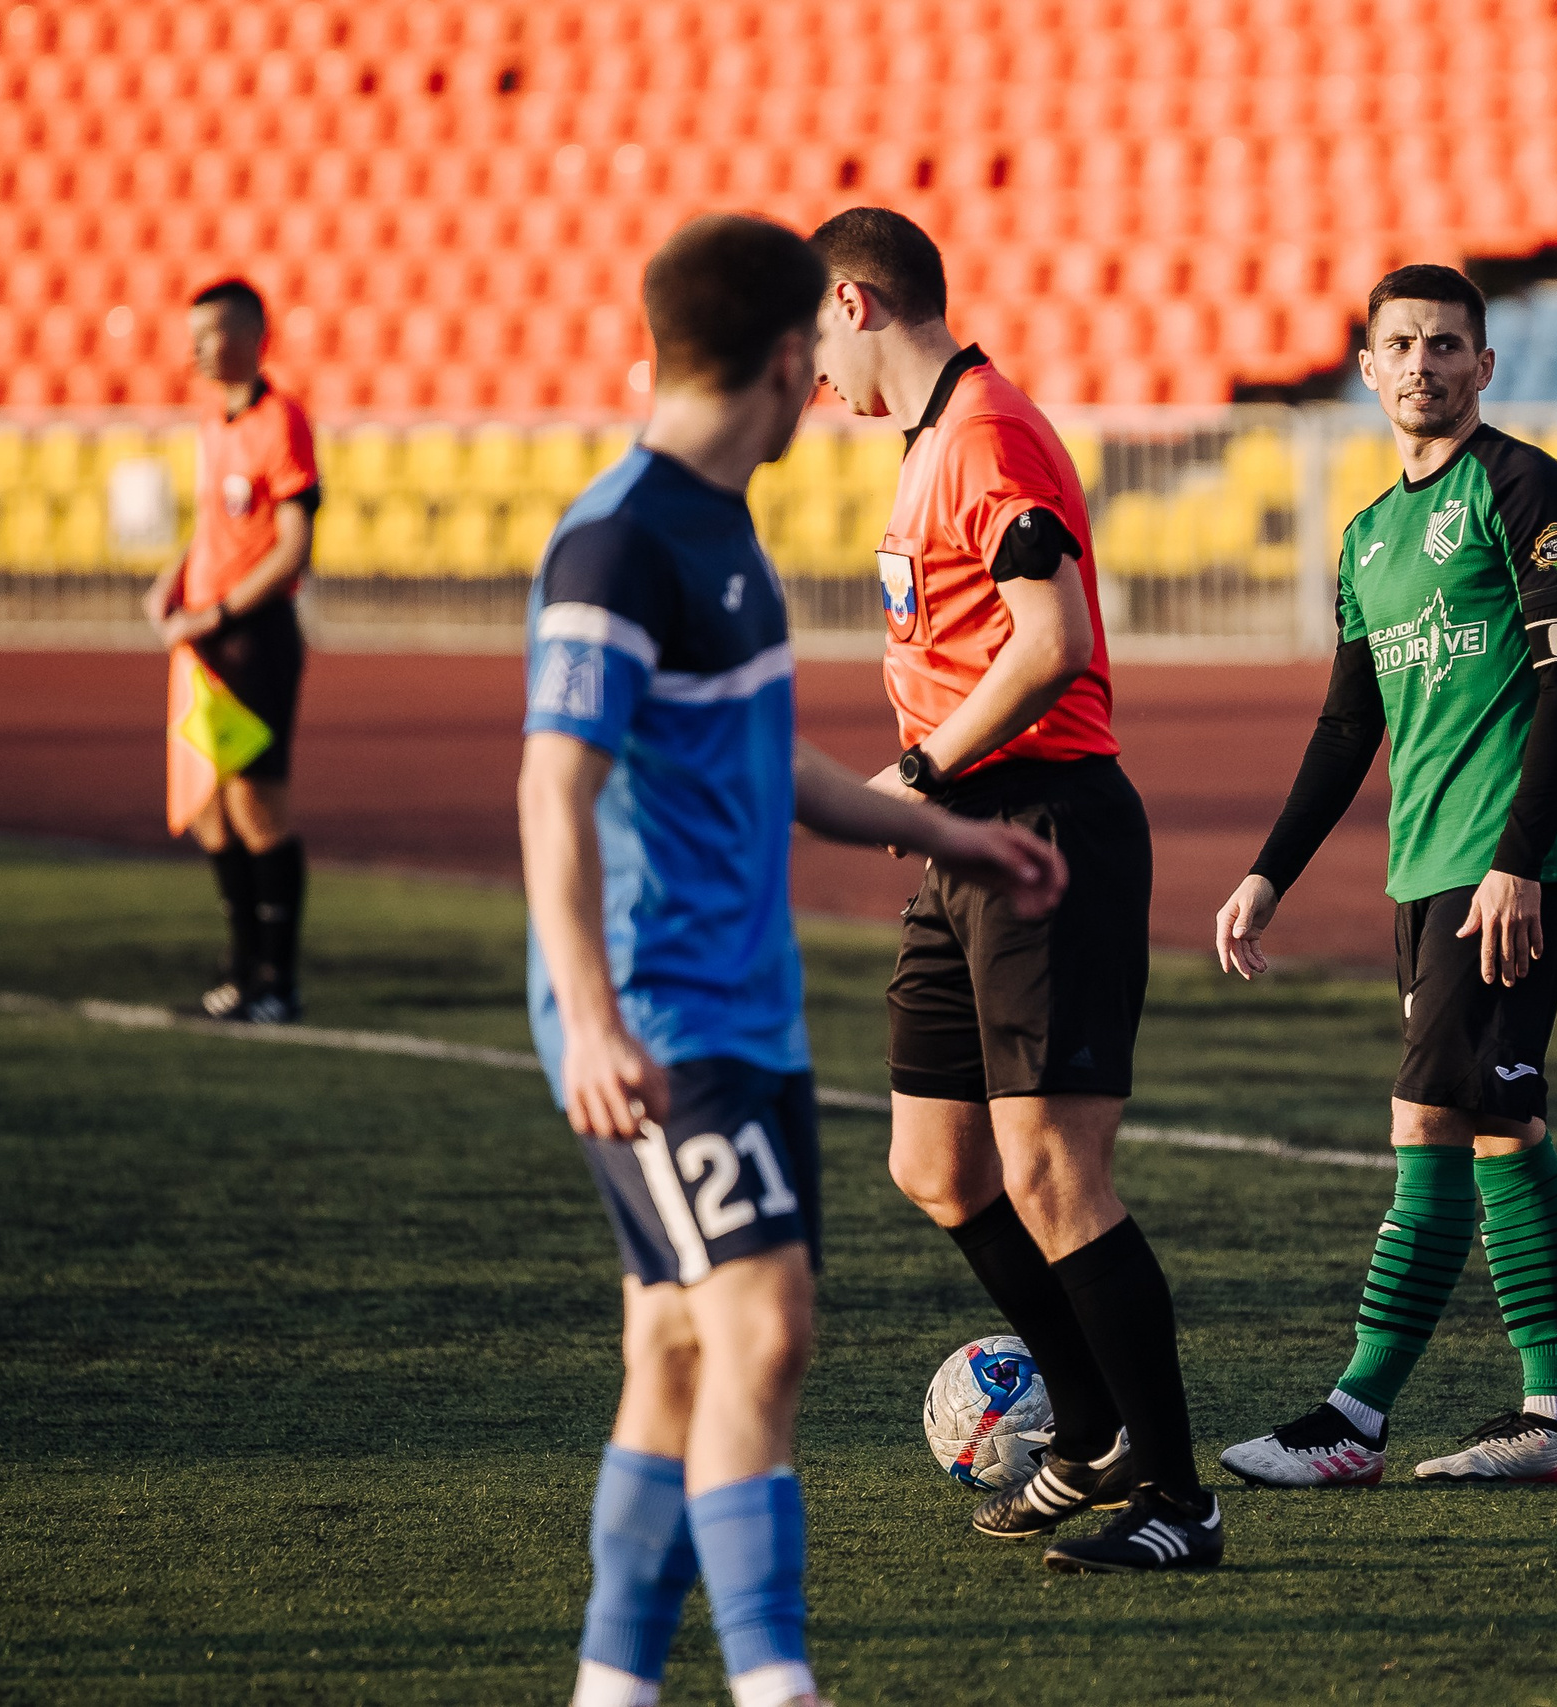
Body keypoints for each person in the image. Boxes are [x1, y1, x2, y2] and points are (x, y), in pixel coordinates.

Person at [518, 214, 1065, 1707]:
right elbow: (551, 786)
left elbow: (768, 762)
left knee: (684, 1348)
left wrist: (960, 838)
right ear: (776, 356)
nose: (821, 390)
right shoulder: (623, 540)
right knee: (767, 1323)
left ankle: (612, 1684)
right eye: (806, 367)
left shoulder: (719, 531)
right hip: (656, 1008)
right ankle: (777, 1683)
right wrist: (589, 1014)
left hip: (738, 1004)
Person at [809, 205, 1221, 1573]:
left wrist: (920, 764)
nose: (816, 378)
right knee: (936, 1164)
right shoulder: (934, 442)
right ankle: (1094, 1424)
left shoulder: (985, 432)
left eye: (816, 334)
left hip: (1041, 824)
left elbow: (1054, 643)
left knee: (1054, 1168)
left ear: (857, 304)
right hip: (966, 836)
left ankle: (1177, 1492)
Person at [1212, 264, 1557, 1489]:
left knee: (1430, 1122)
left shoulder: (1528, 488)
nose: (1425, 364)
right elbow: (1346, 729)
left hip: (1502, 869)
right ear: (1370, 366)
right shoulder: (1366, 536)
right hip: (1422, 872)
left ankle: (1356, 1417)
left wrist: (1517, 862)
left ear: (1483, 367)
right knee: (1499, 1124)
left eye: (1448, 344)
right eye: (1402, 345)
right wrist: (1270, 872)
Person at [140, 277, 316, 1023]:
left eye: (209, 334)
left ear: (251, 336)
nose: (196, 350)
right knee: (210, 806)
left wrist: (213, 609)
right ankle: (240, 968)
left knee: (257, 806)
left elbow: (291, 550)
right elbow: (216, 529)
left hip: (252, 637)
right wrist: (171, 580)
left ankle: (277, 979)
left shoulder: (283, 423)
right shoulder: (214, 424)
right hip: (206, 635)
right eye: (193, 335)